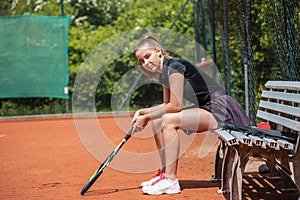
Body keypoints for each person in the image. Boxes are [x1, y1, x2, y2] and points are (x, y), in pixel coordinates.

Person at [131, 35, 250, 195]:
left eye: (147, 57)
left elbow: (175, 106)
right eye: (141, 61)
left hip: (222, 109)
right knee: (158, 121)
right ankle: (165, 174)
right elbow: (166, 105)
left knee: (168, 121)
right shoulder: (163, 74)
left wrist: (145, 117)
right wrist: (143, 112)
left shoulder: (174, 66)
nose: (146, 63)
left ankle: (171, 180)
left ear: (158, 51)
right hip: (208, 108)